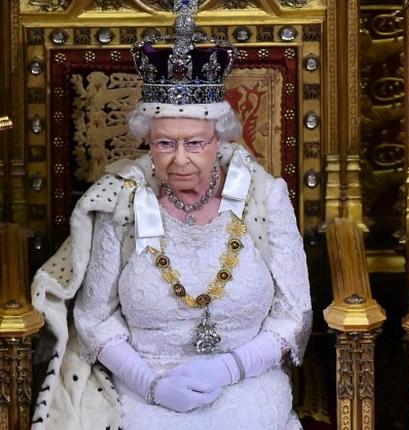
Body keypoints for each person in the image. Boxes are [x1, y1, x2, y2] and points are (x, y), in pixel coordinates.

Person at [29, 2, 311, 429]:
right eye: (164, 144)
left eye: (195, 143)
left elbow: (294, 314)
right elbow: (94, 317)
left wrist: (232, 367)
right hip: (143, 389)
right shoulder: (121, 202)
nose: (180, 160)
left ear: (221, 139)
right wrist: (148, 383)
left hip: (247, 385)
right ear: (148, 142)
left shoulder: (265, 198)